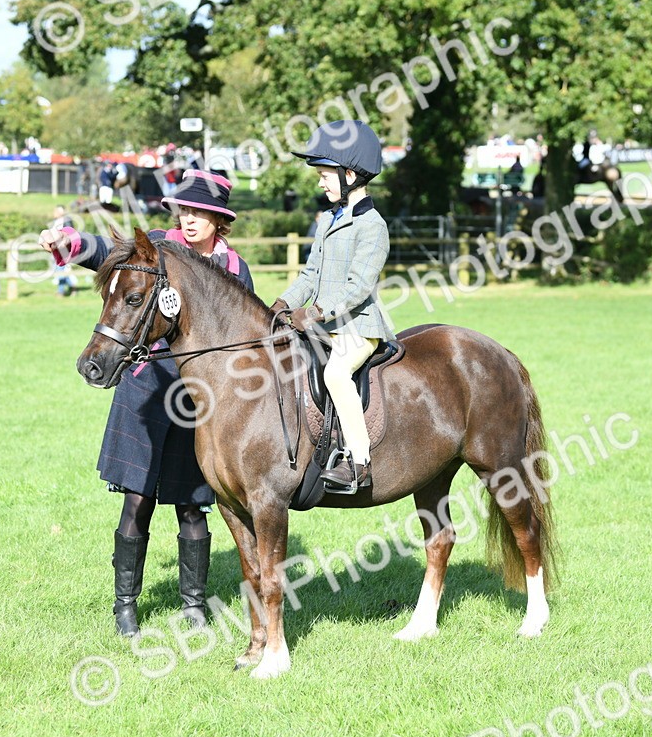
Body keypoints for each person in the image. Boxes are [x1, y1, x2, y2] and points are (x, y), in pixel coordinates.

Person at [39, 169, 252, 637]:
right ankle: (125, 608)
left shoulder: (234, 269)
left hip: (199, 398)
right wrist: (67, 240)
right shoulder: (155, 247)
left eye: (202, 213)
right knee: (137, 501)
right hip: (144, 385)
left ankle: (194, 606)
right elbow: (103, 253)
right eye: (186, 210)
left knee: (194, 505)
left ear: (220, 221)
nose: (191, 219)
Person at [270, 120, 395, 493]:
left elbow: (359, 287)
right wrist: (282, 303)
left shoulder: (373, 226)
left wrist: (317, 312)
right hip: (323, 326)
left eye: (326, 175)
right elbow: (310, 275)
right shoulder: (328, 219)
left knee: (336, 375)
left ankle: (359, 462)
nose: (321, 183)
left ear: (350, 174)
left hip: (359, 328)